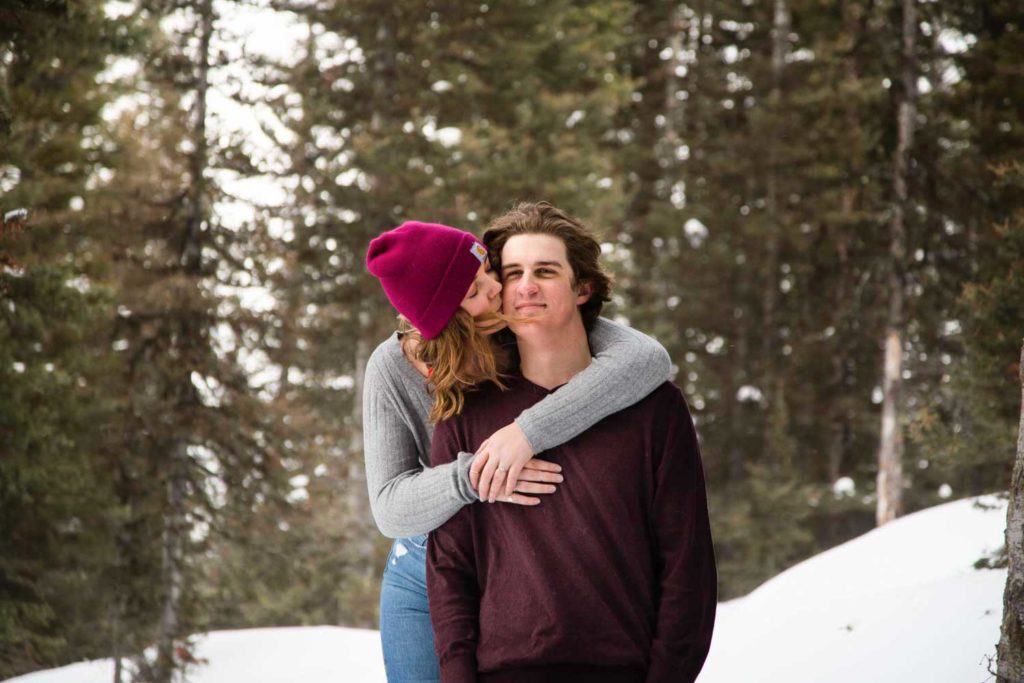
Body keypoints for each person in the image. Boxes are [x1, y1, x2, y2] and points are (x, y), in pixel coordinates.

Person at [364, 219, 673, 683]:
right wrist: (474, 476)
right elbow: (390, 507)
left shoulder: (522, 319)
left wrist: (525, 433)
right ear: (441, 319)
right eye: (472, 293)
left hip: (512, 560)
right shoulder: (391, 369)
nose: (496, 291)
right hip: (423, 570)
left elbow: (648, 360)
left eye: (488, 271)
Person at [427, 202, 717, 683]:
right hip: (504, 672)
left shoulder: (655, 408)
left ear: (583, 288)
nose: (525, 286)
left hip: (622, 670)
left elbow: (686, 563)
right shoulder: (465, 412)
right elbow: (451, 568)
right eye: (513, 272)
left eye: (545, 271)